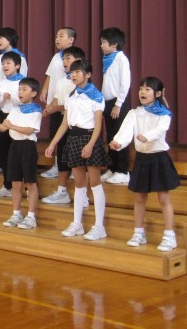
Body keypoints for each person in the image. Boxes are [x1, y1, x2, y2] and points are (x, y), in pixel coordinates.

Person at [110, 77, 180, 252]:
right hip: (142, 159)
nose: (142, 92)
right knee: (139, 198)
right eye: (141, 88)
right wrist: (118, 142)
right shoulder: (134, 113)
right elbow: (126, 130)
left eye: (147, 89)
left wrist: (147, 136)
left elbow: (160, 129)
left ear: (157, 93)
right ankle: (138, 233)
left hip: (159, 159)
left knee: (163, 199)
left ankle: (169, 236)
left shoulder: (164, 114)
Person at [45, 59, 111, 241]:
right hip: (73, 138)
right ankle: (77, 223)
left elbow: (98, 125)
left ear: (88, 74)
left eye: (77, 72)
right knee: (79, 183)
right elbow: (64, 123)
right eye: (71, 72)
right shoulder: (71, 96)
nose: (73, 75)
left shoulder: (96, 96)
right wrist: (52, 144)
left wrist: (90, 145)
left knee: (95, 182)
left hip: (89, 138)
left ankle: (99, 227)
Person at [0, 78, 43, 229]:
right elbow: (4, 128)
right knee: (15, 183)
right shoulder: (15, 109)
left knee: (30, 183)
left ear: (33, 93)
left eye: (24, 89)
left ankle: (31, 216)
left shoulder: (36, 110)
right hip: (14, 146)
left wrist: (11, 126)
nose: (20, 92)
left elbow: (29, 130)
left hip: (28, 147)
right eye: (19, 89)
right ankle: (16, 214)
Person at [40, 46, 87, 205]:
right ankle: (61, 191)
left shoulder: (82, 83)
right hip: (63, 122)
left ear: (78, 61)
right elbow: (57, 99)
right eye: (63, 59)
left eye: (68, 58)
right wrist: (49, 109)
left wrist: (56, 108)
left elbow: (72, 105)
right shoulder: (61, 81)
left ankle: (83, 194)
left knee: (79, 160)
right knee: (62, 156)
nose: (64, 62)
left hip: (78, 127)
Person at [0, 27, 28, 174]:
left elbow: (23, 80)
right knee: (1, 137)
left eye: (2, 38)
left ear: (10, 39)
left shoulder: (20, 58)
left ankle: (15, 168)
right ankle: (0, 164)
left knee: (14, 137)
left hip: (15, 106)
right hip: (0, 102)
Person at [39, 27, 77, 178]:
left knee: (69, 137)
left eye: (61, 36)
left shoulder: (74, 57)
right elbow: (49, 75)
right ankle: (57, 165)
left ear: (71, 40)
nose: (57, 39)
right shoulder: (56, 57)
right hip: (55, 102)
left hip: (68, 105)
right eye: (56, 36)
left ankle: (74, 168)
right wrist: (44, 90)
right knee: (56, 134)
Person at [99, 27, 132, 185]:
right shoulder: (108, 59)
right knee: (110, 136)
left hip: (118, 103)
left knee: (120, 136)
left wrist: (118, 104)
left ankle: (122, 171)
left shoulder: (121, 59)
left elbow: (125, 83)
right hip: (107, 102)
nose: (101, 46)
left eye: (104, 43)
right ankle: (112, 168)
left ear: (114, 44)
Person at [0, 51, 24, 198]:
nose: (5, 66)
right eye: (3, 63)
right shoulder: (2, 82)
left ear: (17, 65)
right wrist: (4, 98)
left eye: (8, 63)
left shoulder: (23, 82)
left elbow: (24, 102)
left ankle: (21, 186)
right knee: (3, 151)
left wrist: (12, 99)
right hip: (3, 116)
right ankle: (7, 185)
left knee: (17, 153)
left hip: (18, 117)